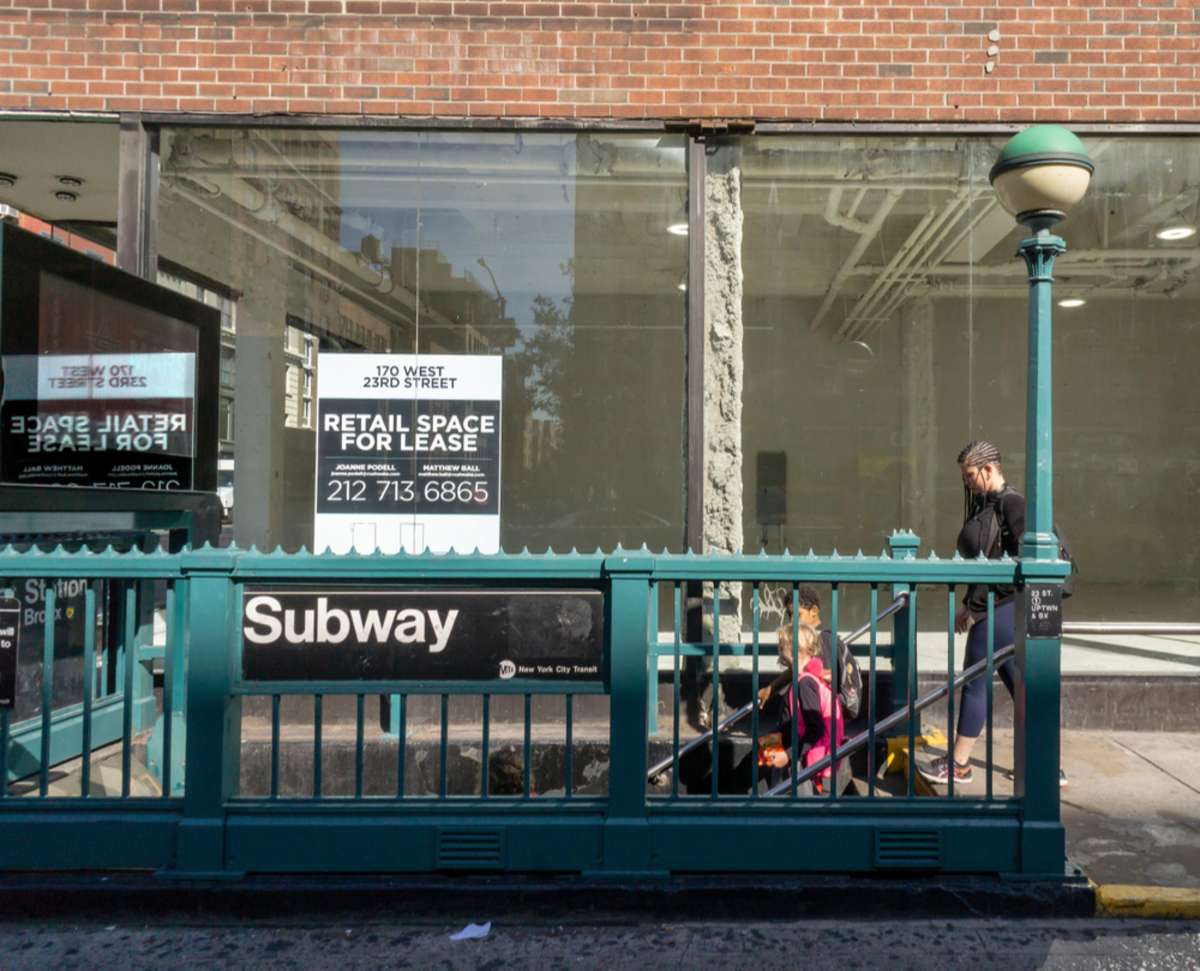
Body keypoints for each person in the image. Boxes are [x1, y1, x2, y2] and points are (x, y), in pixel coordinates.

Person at [918, 440, 1067, 788]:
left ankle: (958, 763)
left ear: (988, 469)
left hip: (1005, 608)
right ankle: (1046, 765)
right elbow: (989, 557)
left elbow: (1020, 561)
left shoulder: (1012, 503)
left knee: (975, 679)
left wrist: (976, 606)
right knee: (1020, 687)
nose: (967, 482)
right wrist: (971, 601)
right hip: (999, 607)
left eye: (970, 475)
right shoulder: (990, 505)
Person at [758, 622, 848, 795]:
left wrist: (788, 755)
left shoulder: (805, 683)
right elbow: (795, 720)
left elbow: (815, 728)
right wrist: (770, 741)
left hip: (800, 761)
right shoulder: (810, 679)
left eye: (782, 644)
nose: (779, 648)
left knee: (800, 810)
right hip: (796, 753)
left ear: (794, 649)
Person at [758, 585, 862, 723]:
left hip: (822, 720)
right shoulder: (813, 641)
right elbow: (803, 668)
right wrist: (771, 688)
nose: (791, 621)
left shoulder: (823, 641)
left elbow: (820, 676)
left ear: (814, 611)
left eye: (798, 615)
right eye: (789, 615)